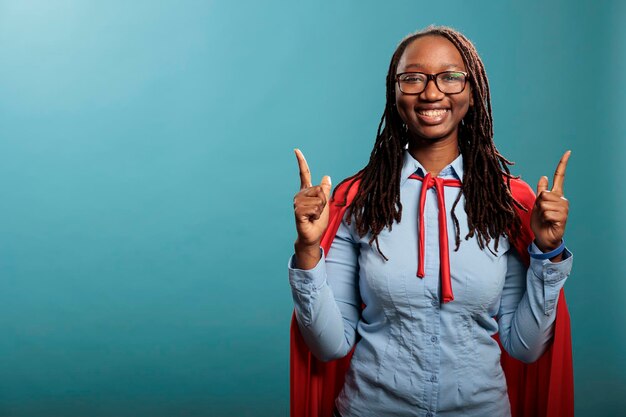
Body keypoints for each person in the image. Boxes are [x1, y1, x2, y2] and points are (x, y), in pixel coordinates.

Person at [288, 25, 573, 417]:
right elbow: (329, 346)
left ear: (473, 93)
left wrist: (547, 252)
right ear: (394, 92)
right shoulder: (357, 201)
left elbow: (524, 347)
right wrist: (307, 251)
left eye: (451, 77)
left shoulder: (508, 202)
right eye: (413, 78)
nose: (432, 92)